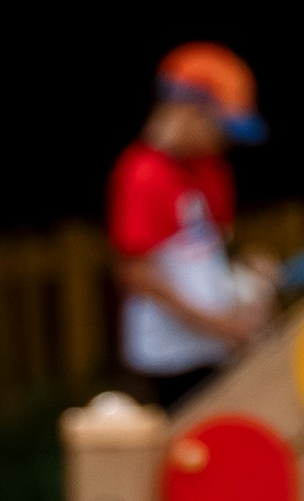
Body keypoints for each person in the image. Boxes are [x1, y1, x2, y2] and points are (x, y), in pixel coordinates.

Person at [108, 41, 275, 409]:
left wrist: (248, 283)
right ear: (188, 111)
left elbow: (217, 251)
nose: (225, 139)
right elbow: (137, 274)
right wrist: (216, 324)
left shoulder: (211, 169)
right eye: (220, 125)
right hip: (169, 357)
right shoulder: (143, 172)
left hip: (214, 347)